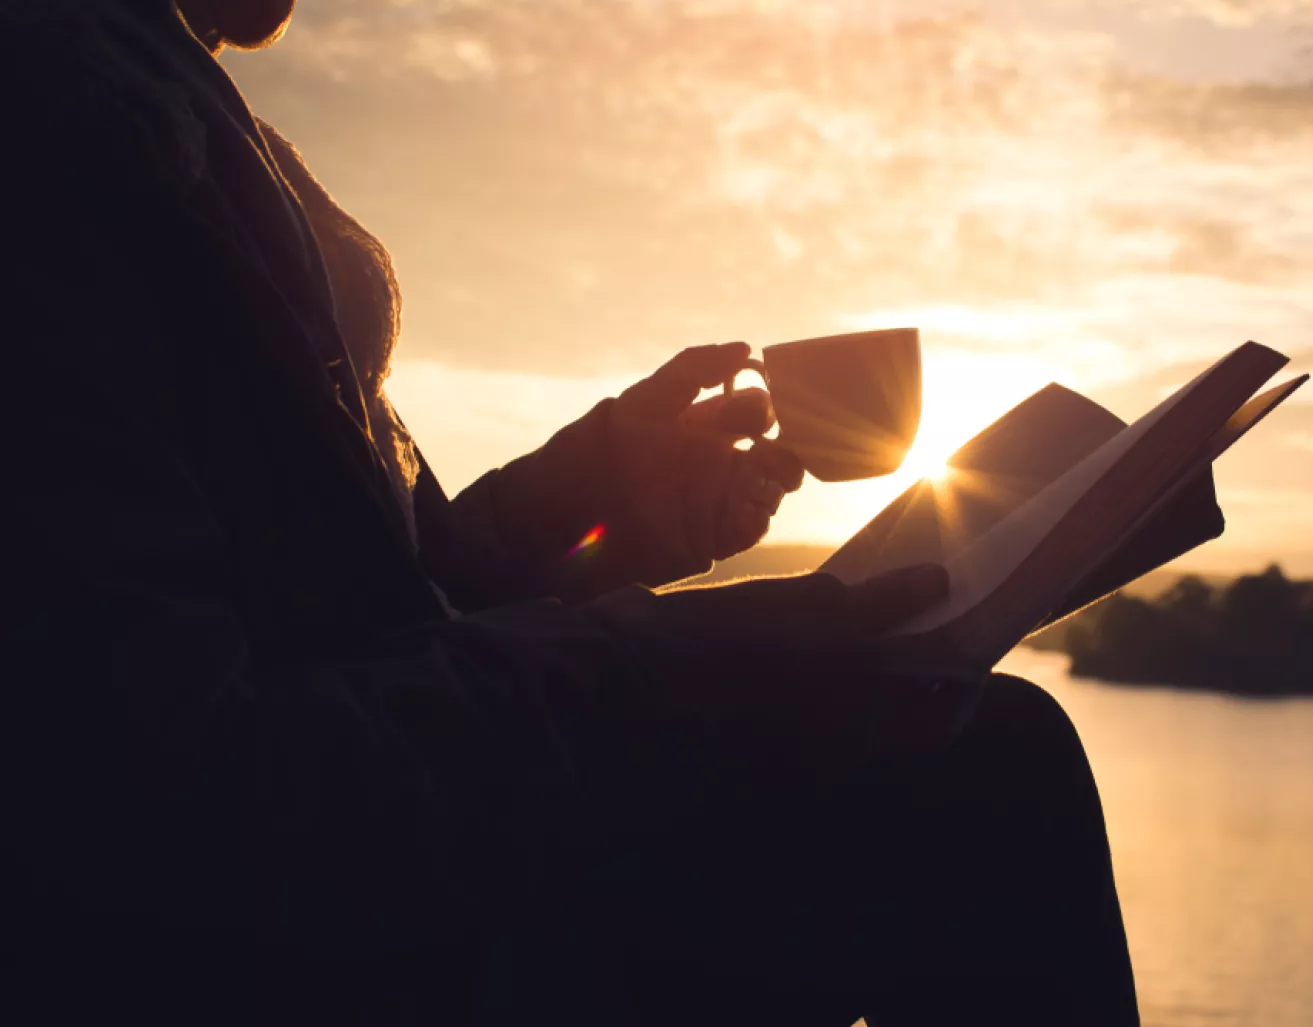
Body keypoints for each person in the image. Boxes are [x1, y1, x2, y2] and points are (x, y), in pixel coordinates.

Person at [0, 1, 1140, 1024]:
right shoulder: (61, 108)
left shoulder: (148, 82)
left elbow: (383, 596)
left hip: (410, 870)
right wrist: (668, 668)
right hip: (347, 951)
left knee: (982, 763)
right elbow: (166, 798)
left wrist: (602, 502)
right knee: (988, 780)